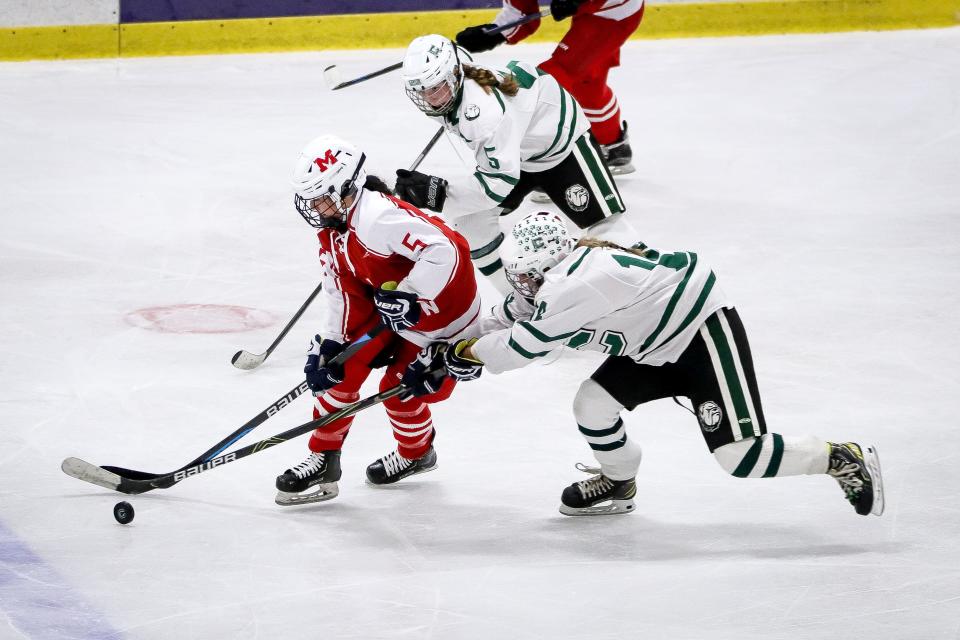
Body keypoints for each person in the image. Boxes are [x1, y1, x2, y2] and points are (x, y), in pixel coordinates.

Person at [406, 211, 885, 517]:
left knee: (741, 457)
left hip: (701, 335)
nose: (523, 286)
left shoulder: (573, 286)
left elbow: (522, 348)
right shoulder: (560, 275)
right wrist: (453, 344)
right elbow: (513, 316)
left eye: (528, 277)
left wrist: (459, 356)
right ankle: (619, 481)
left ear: (548, 267)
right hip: (653, 345)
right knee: (592, 405)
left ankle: (838, 456)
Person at [274, 134, 481, 506]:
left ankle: (417, 453)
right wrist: (333, 340)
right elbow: (340, 288)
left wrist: (411, 294)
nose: (314, 206)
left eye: (321, 196)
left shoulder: (378, 219)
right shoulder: (333, 228)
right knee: (341, 367)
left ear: (345, 187)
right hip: (393, 311)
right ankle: (324, 457)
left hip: (442, 317)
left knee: (400, 390)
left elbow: (448, 250)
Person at [393, 34, 629, 296]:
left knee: (607, 227)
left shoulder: (483, 113)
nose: (430, 98)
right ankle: (522, 303)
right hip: (517, 148)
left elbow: (495, 187)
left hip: (560, 145)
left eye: (436, 87)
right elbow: (458, 53)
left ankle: (638, 286)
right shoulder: (457, 72)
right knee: (472, 225)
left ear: (455, 74)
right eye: (422, 90)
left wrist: (438, 194)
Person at [455, 0, 643, 174]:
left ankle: (546, 162)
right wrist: (494, 33)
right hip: (589, 13)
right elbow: (521, 13)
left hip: (616, 12)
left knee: (551, 77)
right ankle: (613, 146)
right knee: (587, 87)